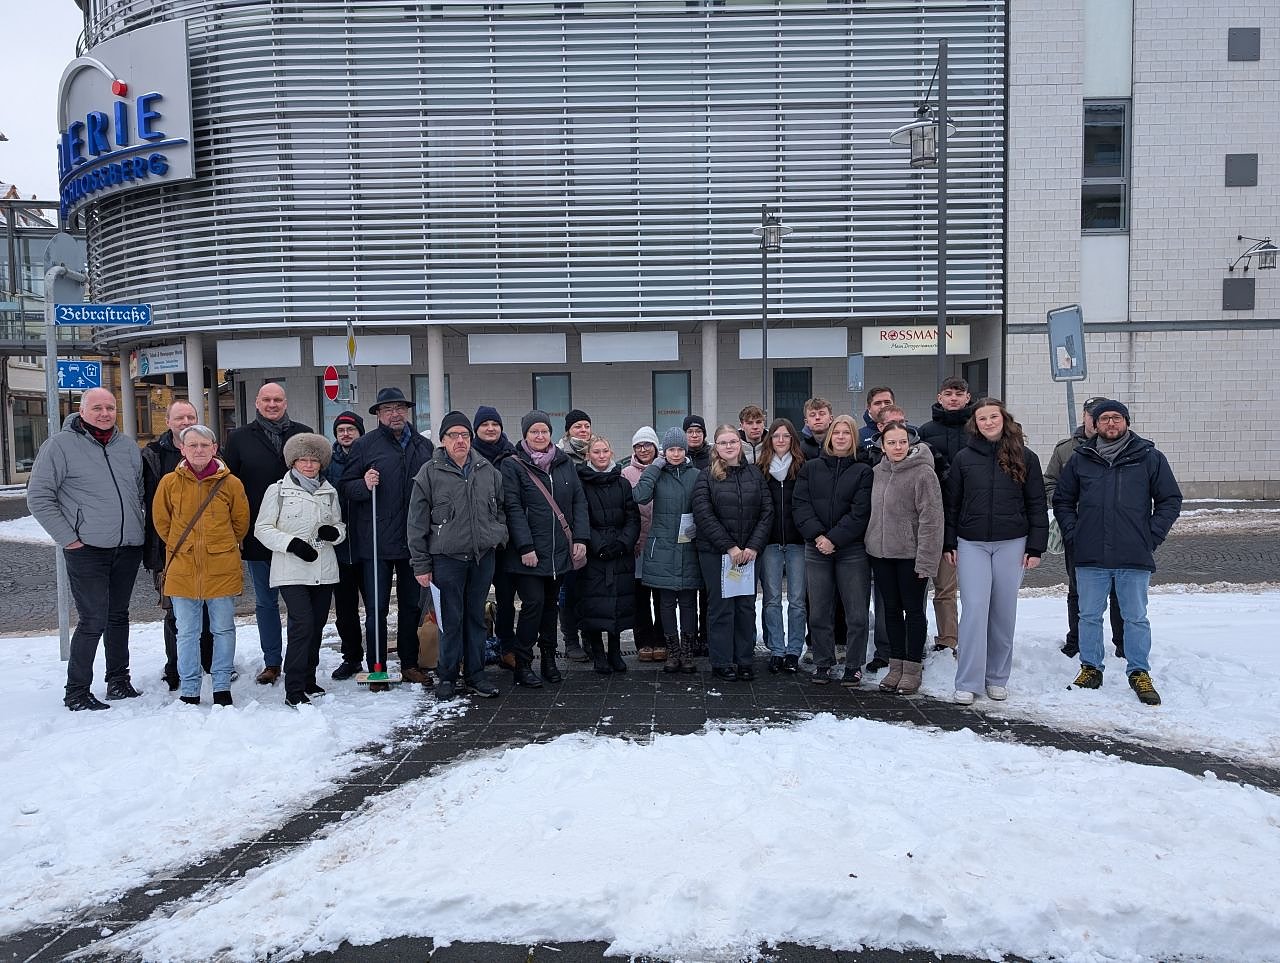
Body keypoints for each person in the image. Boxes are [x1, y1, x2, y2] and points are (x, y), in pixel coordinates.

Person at [1053, 400, 1182, 706]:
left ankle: (1139, 672)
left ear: (1126, 422)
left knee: (1135, 617)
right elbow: (1062, 499)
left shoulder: (1149, 457)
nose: (1111, 423)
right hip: (1090, 553)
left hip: (1133, 553)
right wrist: (1073, 534)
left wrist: (1151, 535)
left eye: (1117, 418)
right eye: (1104, 419)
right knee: (1088, 615)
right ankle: (1090, 668)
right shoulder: (1081, 458)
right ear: (1094, 424)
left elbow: (1170, 500)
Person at [27, 387, 146, 711]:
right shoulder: (60, 446)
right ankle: (77, 692)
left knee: (118, 616)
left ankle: (118, 681)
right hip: (87, 548)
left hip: (127, 546)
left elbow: (138, 492)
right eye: (97, 408)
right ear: (82, 411)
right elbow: (38, 497)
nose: (105, 413)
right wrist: (69, 538)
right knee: (93, 620)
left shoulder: (127, 447)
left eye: (110, 407)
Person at [943, 398, 1048, 705]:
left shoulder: (1025, 457)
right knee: (975, 609)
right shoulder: (963, 458)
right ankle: (968, 681)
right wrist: (949, 542)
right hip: (971, 542)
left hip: (1012, 542)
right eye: (982, 418)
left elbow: (1037, 503)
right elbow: (952, 504)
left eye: (993, 417)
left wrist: (1036, 546)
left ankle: (997, 677)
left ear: (1004, 419)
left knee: (1003, 611)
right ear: (974, 424)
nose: (988, 422)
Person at [340, 387, 435, 690]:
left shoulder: (423, 446)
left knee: (410, 607)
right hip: (376, 542)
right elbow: (346, 486)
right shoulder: (365, 445)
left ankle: (409, 663)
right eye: (388, 409)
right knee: (377, 609)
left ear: (407, 411)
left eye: (400, 408)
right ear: (379, 414)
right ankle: (377, 667)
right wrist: (363, 484)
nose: (395, 414)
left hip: (412, 541)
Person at [408, 411, 507, 700]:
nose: (460, 440)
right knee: (449, 621)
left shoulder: (487, 470)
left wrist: (497, 535)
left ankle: (476, 674)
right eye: (453, 435)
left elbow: (500, 508)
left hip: (481, 558)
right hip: (446, 560)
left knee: (476, 618)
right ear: (443, 440)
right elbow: (416, 523)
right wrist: (421, 565)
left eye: (465, 435)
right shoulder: (429, 472)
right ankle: (448, 676)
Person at [152, 424, 250, 707]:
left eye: (204, 445)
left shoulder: (231, 483)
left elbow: (240, 523)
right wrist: (185, 547)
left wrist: (219, 545)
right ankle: (190, 688)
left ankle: (221, 686)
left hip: (221, 566)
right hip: (182, 567)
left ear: (214, 448)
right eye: (192, 445)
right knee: (186, 633)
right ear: (182, 448)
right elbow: (162, 521)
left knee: (223, 630)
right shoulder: (169, 482)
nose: (198, 450)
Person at [223, 382, 313, 685]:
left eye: (277, 399)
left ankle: (301, 660)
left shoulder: (303, 435)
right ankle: (272, 662)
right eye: (266, 400)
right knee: (265, 602)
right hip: (258, 535)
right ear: (257, 403)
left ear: (285, 403)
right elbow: (230, 488)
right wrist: (236, 531)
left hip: (298, 537)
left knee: (300, 604)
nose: (272, 404)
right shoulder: (239, 438)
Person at [253, 433, 344, 707]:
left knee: (316, 626)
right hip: (292, 569)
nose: (308, 465)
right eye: (303, 460)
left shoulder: (329, 491)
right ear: (293, 462)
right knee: (302, 625)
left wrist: (335, 533)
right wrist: (291, 544)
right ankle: (293, 688)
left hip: (323, 570)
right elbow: (262, 529)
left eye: (314, 461)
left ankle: (308, 678)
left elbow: (339, 526)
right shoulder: (277, 491)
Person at [501, 410, 589, 687]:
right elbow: (513, 507)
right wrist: (525, 545)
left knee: (551, 606)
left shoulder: (564, 463)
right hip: (528, 553)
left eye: (544, 431)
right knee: (533, 604)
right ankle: (523, 662)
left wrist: (580, 539)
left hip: (558, 550)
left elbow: (578, 501)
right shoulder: (513, 465)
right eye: (534, 432)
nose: (540, 436)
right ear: (525, 435)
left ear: (551, 434)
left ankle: (549, 659)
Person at [793, 414, 874, 686]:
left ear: (854, 437)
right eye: (836, 432)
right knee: (819, 611)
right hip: (816, 548)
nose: (841, 437)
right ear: (829, 436)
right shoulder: (811, 468)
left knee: (856, 612)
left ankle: (854, 664)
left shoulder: (863, 471)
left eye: (846, 433)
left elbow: (860, 512)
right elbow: (800, 505)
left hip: (852, 550)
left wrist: (834, 539)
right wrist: (819, 536)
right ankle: (823, 662)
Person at [865, 422, 944, 695]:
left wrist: (926, 560)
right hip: (881, 554)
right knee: (890, 610)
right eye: (891, 443)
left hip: (910, 555)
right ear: (882, 446)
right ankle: (895, 664)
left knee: (913, 611)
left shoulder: (923, 473)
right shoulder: (877, 472)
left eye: (902, 442)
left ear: (910, 443)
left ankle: (912, 668)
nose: (897, 447)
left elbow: (932, 519)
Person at [1044, 397, 1125, 660]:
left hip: (1118, 530)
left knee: (1119, 589)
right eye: (1092, 415)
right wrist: (1068, 510)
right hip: (1079, 529)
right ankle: (1077, 639)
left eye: (1103, 416)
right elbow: (1050, 484)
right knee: (1078, 587)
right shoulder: (1066, 450)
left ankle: (1123, 642)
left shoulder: (1125, 446)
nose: (1097, 420)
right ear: (1085, 417)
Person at [142, 399, 213, 690]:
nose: (185, 422)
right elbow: (151, 506)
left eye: (190, 417)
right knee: (174, 611)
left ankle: (208, 661)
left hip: (207, 547)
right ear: (168, 422)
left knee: (207, 608)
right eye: (179, 417)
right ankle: (175, 666)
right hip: (167, 547)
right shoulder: (153, 455)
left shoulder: (210, 453)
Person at [692, 425, 773, 681]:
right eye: (723, 442)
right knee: (721, 607)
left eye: (733, 442)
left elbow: (767, 511)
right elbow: (703, 514)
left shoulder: (755, 474)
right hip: (716, 554)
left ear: (740, 444)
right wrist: (730, 547)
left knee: (745, 607)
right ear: (715, 447)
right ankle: (722, 661)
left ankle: (744, 660)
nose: (729, 446)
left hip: (749, 555)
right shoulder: (706, 476)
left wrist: (752, 547)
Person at [633, 427, 702, 673]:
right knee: (666, 603)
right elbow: (639, 496)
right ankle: (672, 651)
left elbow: (705, 505)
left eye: (680, 449)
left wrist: (699, 526)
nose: (675, 454)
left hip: (689, 546)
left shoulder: (696, 475)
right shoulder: (657, 473)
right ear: (664, 451)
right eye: (671, 449)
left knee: (688, 602)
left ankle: (687, 651)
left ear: (685, 450)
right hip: (661, 547)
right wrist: (654, 468)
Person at [576, 435, 642, 674]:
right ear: (588, 455)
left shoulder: (622, 482)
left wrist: (623, 543)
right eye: (596, 452)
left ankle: (615, 651)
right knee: (594, 603)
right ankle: (598, 652)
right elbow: (580, 517)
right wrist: (599, 545)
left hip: (620, 551)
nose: (601, 456)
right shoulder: (581, 482)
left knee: (618, 602)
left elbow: (633, 517)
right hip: (594, 553)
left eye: (605, 451)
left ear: (611, 453)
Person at [917, 377, 974, 653]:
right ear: (939, 397)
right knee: (943, 585)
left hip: (972, 515)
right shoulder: (925, 432)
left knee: (975, 590)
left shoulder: (977, 428)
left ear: (967, 397)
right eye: (948, 393)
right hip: (937, 517)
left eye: (959, 394)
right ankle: (947, 639)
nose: (953, 398)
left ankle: (973, 638)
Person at [757, 417, 806, 674]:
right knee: (772, 600)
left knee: (797, 600)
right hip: (770, 543)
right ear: (770, 440)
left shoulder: (803, 467)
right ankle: (777, 649)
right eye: (776, 435)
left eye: (786, 436)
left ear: (793, 439)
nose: (781, 440)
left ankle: (794, 650)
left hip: (798, 542)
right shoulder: (761, 469)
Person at [471, 405, 519, 667]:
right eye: (485, 424)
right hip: (476, 540)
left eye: (495, 424)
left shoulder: (512, 455)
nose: (490, 429)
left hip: (505, 539)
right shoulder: (468, 456)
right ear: (476, 429)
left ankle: (506, 646)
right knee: (475, 598)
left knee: (506, 598)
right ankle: (474, 649)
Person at [326, 411, 369, 681]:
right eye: (341, 429)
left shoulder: (370, 457)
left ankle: (376, 658)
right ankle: (351, 657)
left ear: (360, 432)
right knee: (345, 610)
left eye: (351, 429)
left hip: (367, 546)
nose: (345, 434)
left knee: (375, 608)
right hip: (339, 548)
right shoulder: (327, 462)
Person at [622, 427, 663, 661]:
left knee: (661, 597)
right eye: (638, 446)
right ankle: (643, 641)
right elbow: (626, 509)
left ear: (655, 446)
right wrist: (633, 539)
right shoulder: (626, 473)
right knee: (640, 596)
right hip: (638, 544)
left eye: (647, 444)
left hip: (661, 544)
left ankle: (662, 639)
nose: (643, 449)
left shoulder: (665, 470)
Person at [556, 408, 594, 662]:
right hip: (569, 533)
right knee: (568, 590)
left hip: (594, 531)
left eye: (586, 426)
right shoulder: (560, 457)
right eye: (577, 426)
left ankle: (590, 636)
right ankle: (570, 639)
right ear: (568, 431)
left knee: (590, 590)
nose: (583, 430)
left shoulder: (596, 452)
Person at [858, 386, 898, 451]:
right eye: (877, 403)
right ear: (869, 408)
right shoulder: (858, 437)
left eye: (887, 402)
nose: (883, 406)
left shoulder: (911, 433)